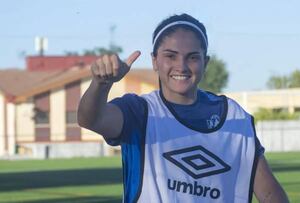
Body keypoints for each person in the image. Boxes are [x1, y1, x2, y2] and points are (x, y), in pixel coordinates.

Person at [78, 13, 289, 203]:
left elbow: (270, 194)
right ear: (155, 60)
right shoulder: (139, 111)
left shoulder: (234, 116)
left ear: (205, 63)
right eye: (171, 56)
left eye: (193, 57)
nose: (181, 66)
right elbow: (90, 119)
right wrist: (101, 84)